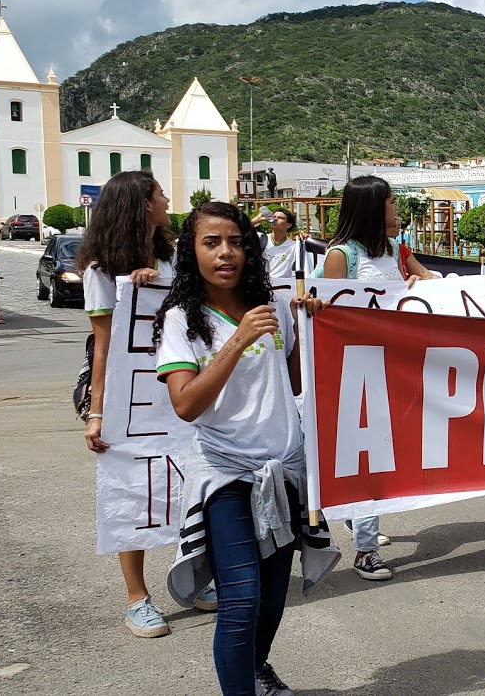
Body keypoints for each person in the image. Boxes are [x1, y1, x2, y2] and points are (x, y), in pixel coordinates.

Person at [154, 202, 337, 695]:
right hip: (225, 474)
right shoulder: (180, 320)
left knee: (273, 598)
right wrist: (237, 340)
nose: (226, 253)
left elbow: (295, 381)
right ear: (192, 253)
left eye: (235, 242)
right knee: (241, 600)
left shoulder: (272, 307)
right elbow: (186, 405)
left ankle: (255, 671)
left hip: (283, 470)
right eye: (211, 243)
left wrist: (309, 328)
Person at [76, 171, 208, 638]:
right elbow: (104, 346)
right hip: (132, 400)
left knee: (192, 484)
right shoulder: (100, 272)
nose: (167, 199)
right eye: (159, 194)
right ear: (142, 205)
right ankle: (137, 598)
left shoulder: (175, 259)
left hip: (182, 387)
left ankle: (194, 579)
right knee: (132, 492)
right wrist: (97, 414)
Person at [322, 175, 440, 580]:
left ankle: (357, 514)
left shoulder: (395, 250)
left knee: (393, 451)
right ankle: (366, 549)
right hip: (359, 369)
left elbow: (431, 281)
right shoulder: (341, 255)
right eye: (390, 202)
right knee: (371, 457)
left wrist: (417, 283)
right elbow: (331, 315)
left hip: (397, 365)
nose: (396, 209)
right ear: (373, 208)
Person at [259, 208, 313, 279]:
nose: (275, 219)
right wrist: (258, 219)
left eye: (280, 218)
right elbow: (244, 230)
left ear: (288, 225)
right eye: (274, 217)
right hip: (262, 283)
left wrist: (304, 239)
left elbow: (305, 267)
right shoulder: (261, 238)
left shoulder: (294, 246)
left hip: (282, 284)